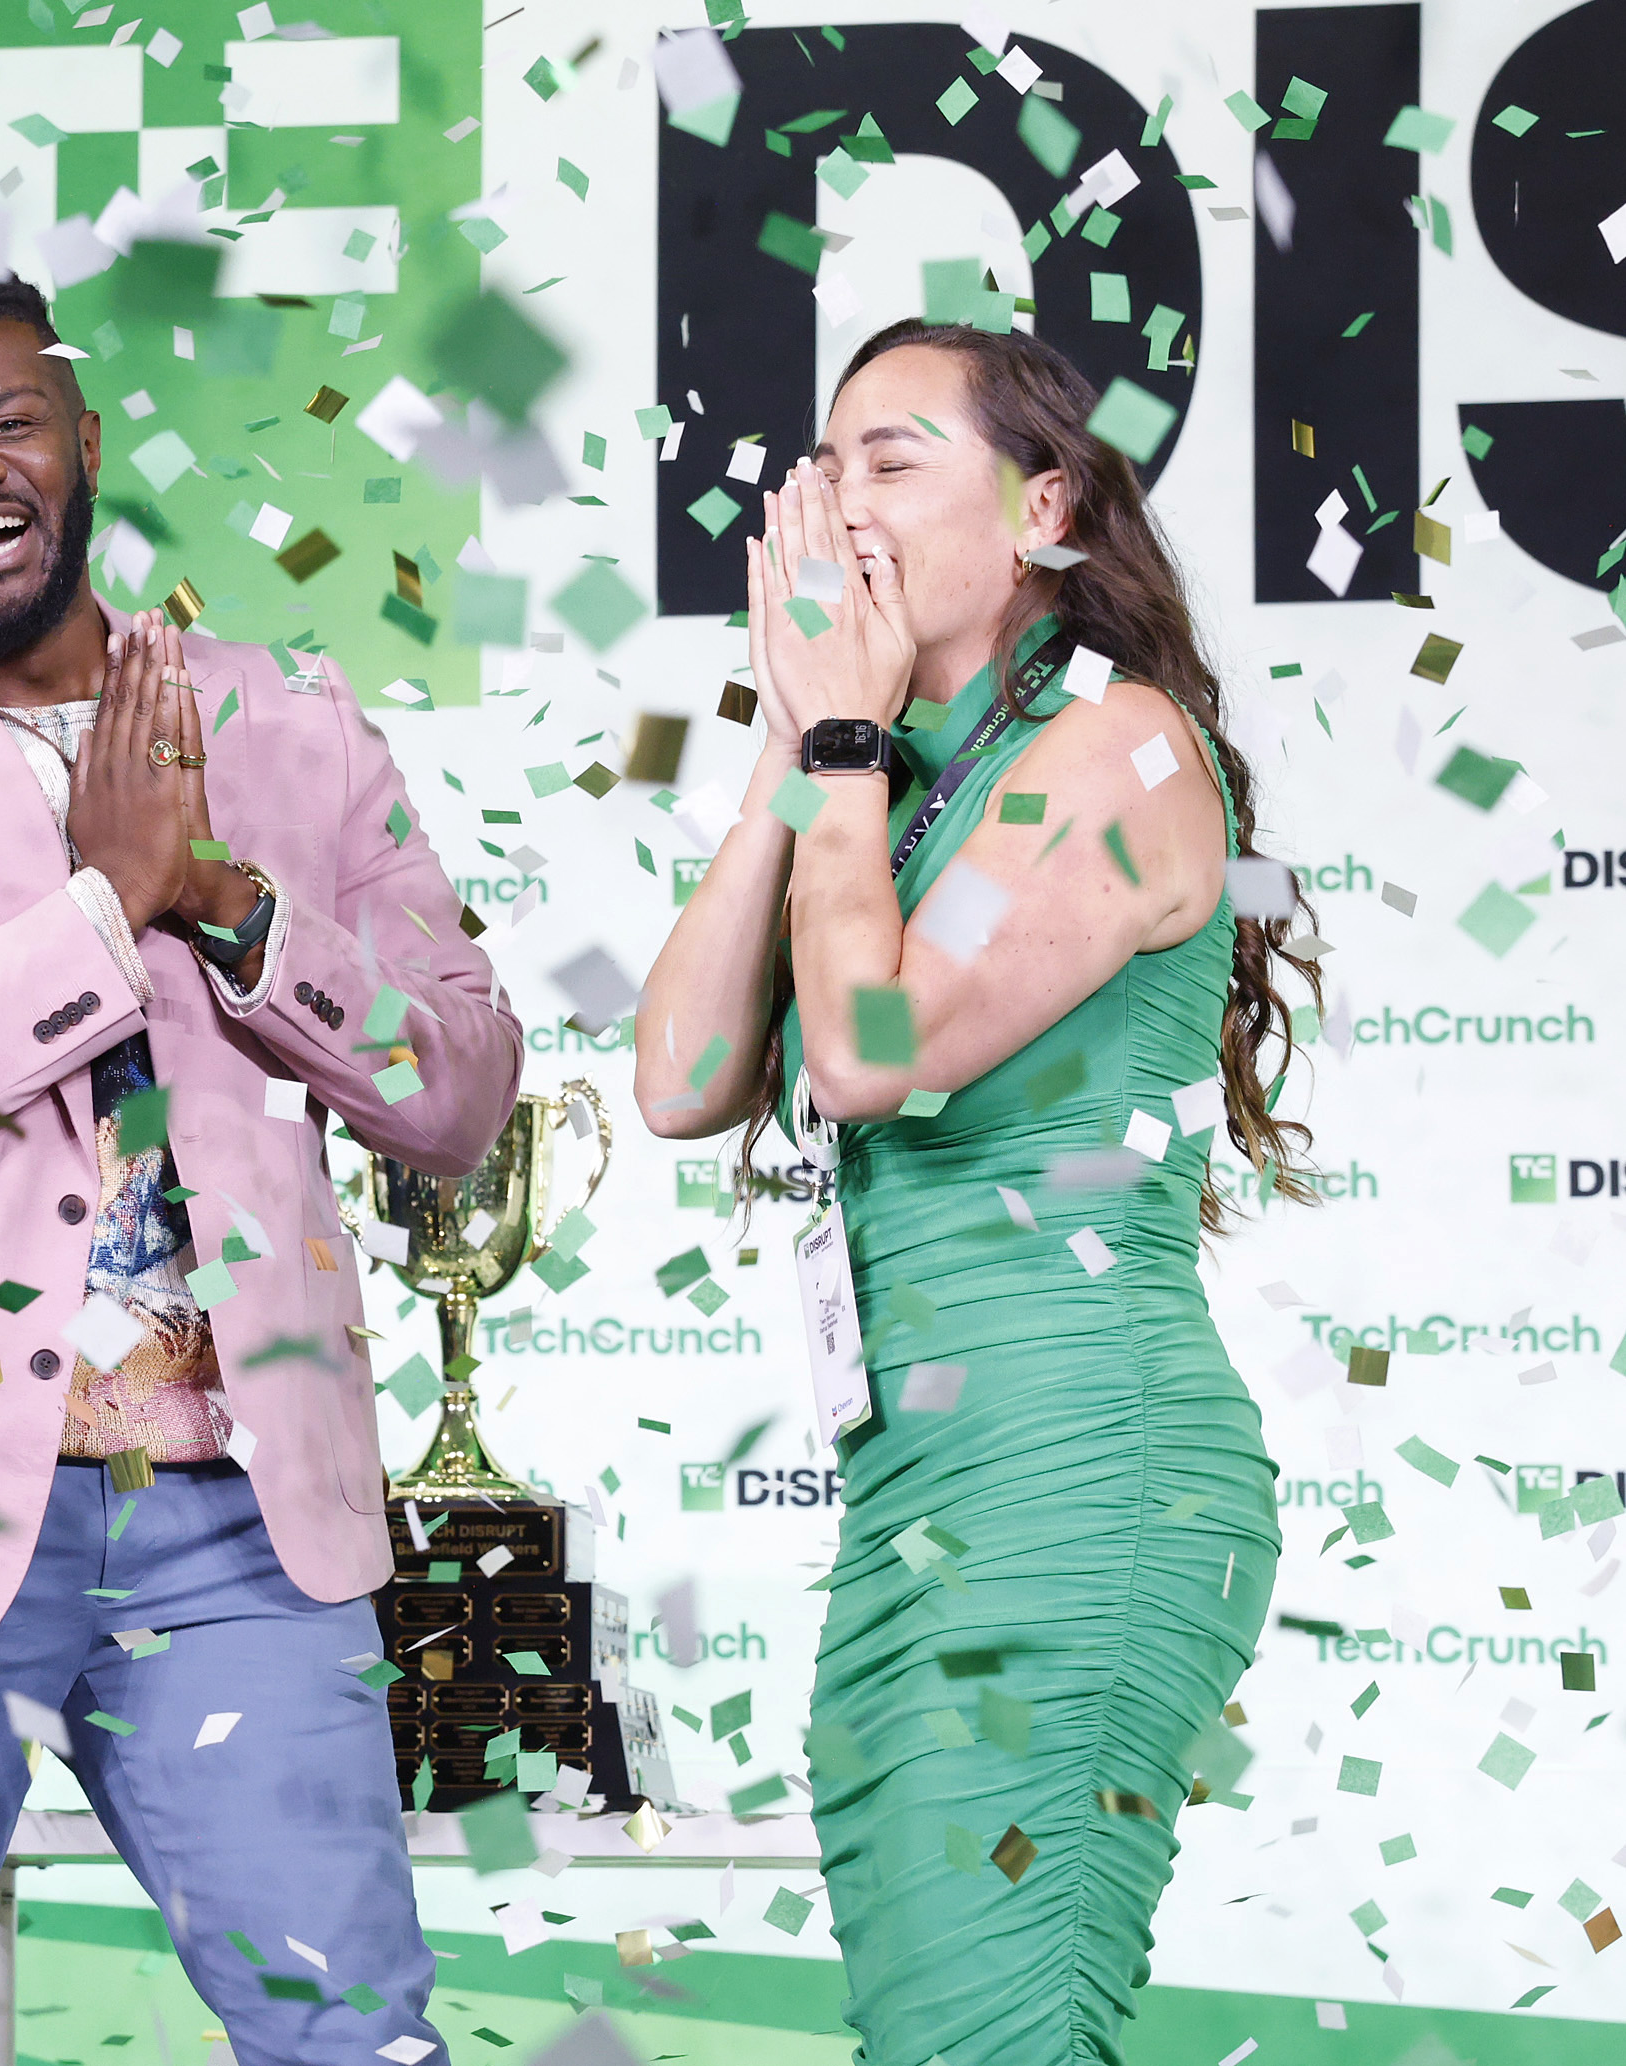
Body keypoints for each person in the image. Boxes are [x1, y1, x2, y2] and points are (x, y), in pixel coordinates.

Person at [0, 267, 523, 2061]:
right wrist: (101, 905)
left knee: (353, 2033)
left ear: (84, 438)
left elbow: (458, 1089)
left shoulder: (293, 720)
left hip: (237, 1518)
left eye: (5, 422)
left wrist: (224, 900)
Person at [634, 318, 1316, 2063]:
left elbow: (871, 1052)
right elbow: (684, 1077)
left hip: (1075, 1483)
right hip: (923, 1499)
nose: (840, 500)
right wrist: (799, 744)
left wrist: (842, 738)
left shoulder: (1119, 750)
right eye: (826, 462)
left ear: (1047, 510)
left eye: (893, 456)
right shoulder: (885, 774)